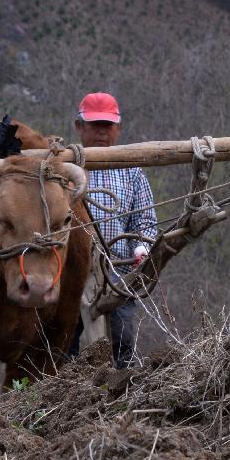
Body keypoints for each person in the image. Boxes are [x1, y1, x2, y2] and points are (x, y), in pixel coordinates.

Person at [66, 92, 157, 368]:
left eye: (107, 126)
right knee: (65, 343)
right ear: (79, 127)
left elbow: (144, 222)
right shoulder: (65, 168)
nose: (101, 133)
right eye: (94, 126)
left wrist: (141, 247)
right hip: (73, 273)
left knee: (123, 339)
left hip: (119, 270)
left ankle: (120, 391)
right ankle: (62, 400)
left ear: (118, 128)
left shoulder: (132, 170)